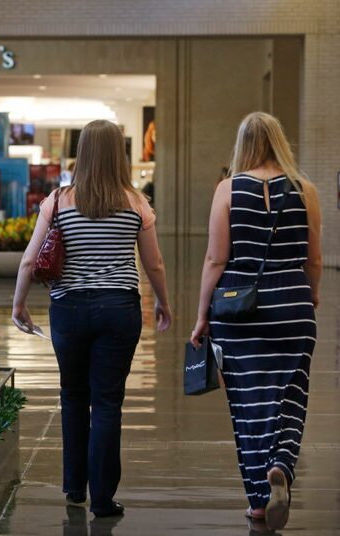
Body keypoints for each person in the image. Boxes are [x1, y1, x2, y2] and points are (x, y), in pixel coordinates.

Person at [12, 119, 172, 517]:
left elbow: (31, 259)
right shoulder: (136, 202)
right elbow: (154, 263)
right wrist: (164, 303)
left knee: (73, 396)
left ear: (82, 152)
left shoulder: (58, 200)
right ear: (120, 153)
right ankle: (102, 498)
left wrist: (18, 304)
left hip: (68, 310)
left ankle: (73, 488)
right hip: (119, 309)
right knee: (106, 403)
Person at [190, 112, 322, 530]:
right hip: (292, 306)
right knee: (290, 396)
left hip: (238, 310)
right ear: (280, 141)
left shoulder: (227, 190)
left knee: (248, 405)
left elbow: (215, 259)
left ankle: (259, 502)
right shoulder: (306, 190)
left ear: (242, 144)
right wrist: (311, 294)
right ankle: (281, 464)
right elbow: (313, 258)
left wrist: (201, 315)